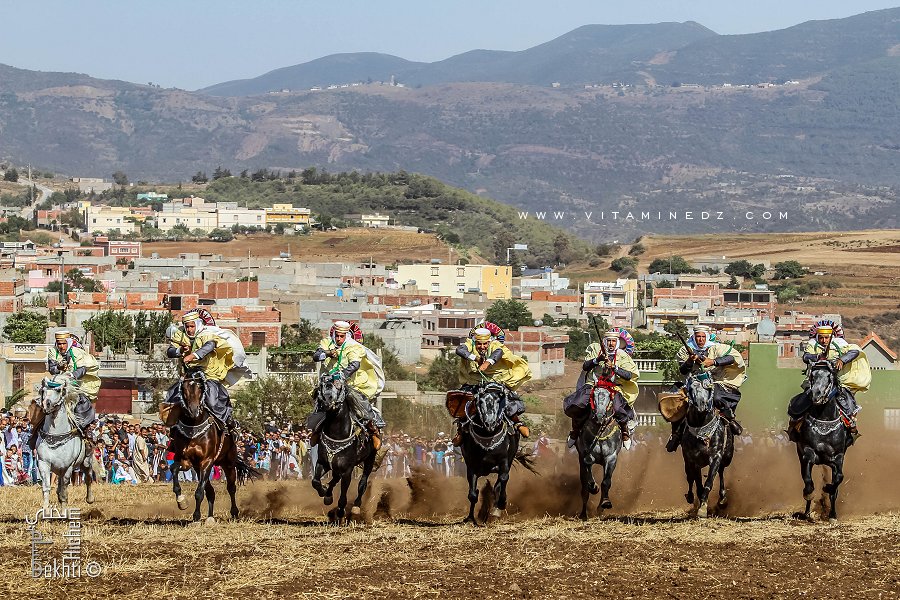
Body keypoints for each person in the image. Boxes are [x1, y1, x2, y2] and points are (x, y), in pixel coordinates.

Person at [162, 310, 249, 436]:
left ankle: (227, 423)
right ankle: (174, 429)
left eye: (191, 326)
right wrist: (179, 350)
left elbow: (210, 346)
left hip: (208, 373)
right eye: (187, 326)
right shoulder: (180, 334)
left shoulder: (207, 333)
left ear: (197, 324)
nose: (189, 329)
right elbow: (170, 351)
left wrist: (193, 355)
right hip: (188, 374)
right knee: (172, 397)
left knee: (212, 401)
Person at [667, 325, 746, 452]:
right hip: (692, 383)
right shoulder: (684, 350)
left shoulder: (716, 347)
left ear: (707, 337)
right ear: (694, 337)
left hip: (716, 382)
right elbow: (683, 370)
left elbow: (731, 358)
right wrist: (689, 361)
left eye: (703, 337)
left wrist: (713, 362)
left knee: (716, 397)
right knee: (674, 398)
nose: (701, 339)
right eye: (698, 336)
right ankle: (675, 434)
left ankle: (729, 419)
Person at [787, 322, 871, 438]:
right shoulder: (813, 345)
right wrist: (817, 357)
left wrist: (842, 360)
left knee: (848, 404)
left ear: (831, 337)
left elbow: (855, 351)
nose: (824, 340)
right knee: (799, 404)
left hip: (836, 383)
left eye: (826, 338)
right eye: (821, 337)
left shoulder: (839, 344)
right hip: (815, 382)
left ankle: (851, 426)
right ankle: (794, 424)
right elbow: (806, 357)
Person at [311, 321, 386, 449]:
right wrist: (329, 353)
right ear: (334, 333)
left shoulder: (354, 346)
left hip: (351, 383)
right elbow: (317, 356)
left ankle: (373, 430)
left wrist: (341, 377)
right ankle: (316, 431)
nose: (339, 339)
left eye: (342, 336)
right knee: (319, 398)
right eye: (337, 335)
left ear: (347, 335)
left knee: (358, 402)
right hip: (328, 382)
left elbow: (354, 365)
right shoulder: (326, 342)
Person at [452, 327, 532, 445]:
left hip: (496, 381)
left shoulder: (496, 345)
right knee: (463, 401)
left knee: (508, 398)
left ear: (489, 342)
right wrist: (476, 358)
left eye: (485, 344)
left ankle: (517, 423)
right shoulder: (469, 344)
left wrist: (488, 362)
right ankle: (461, 430)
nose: (482, 347)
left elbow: (498, 353)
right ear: (475, 341)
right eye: (479, 344)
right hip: (474, 381)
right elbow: (460, 350)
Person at [568, 328, 640, 450]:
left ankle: (624, 432)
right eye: (608, 341)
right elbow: (585, 366)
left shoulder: (622, 356)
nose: (611, 344)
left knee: (617, 407)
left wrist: (615, 368)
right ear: (605, 342)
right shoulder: (596, 351)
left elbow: (629, 375)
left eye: (613, 341)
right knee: (579, 403)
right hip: (593, 385)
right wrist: (597, 360)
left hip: (614, 388)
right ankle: (575, 431)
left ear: (617, 342)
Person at [31, 331, 101, 453]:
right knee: (41, 401)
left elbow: (82, 369)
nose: (61, 346)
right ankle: (35, 431)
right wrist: (58, 368)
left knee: (82, 404)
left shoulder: (78, 352)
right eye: (59, 344)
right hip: (57, 383)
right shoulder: (53, 352)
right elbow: (52, 369)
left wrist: (69, 376)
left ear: (68, 342)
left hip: (73, 385)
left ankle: (85, 430)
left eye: (63, 343)